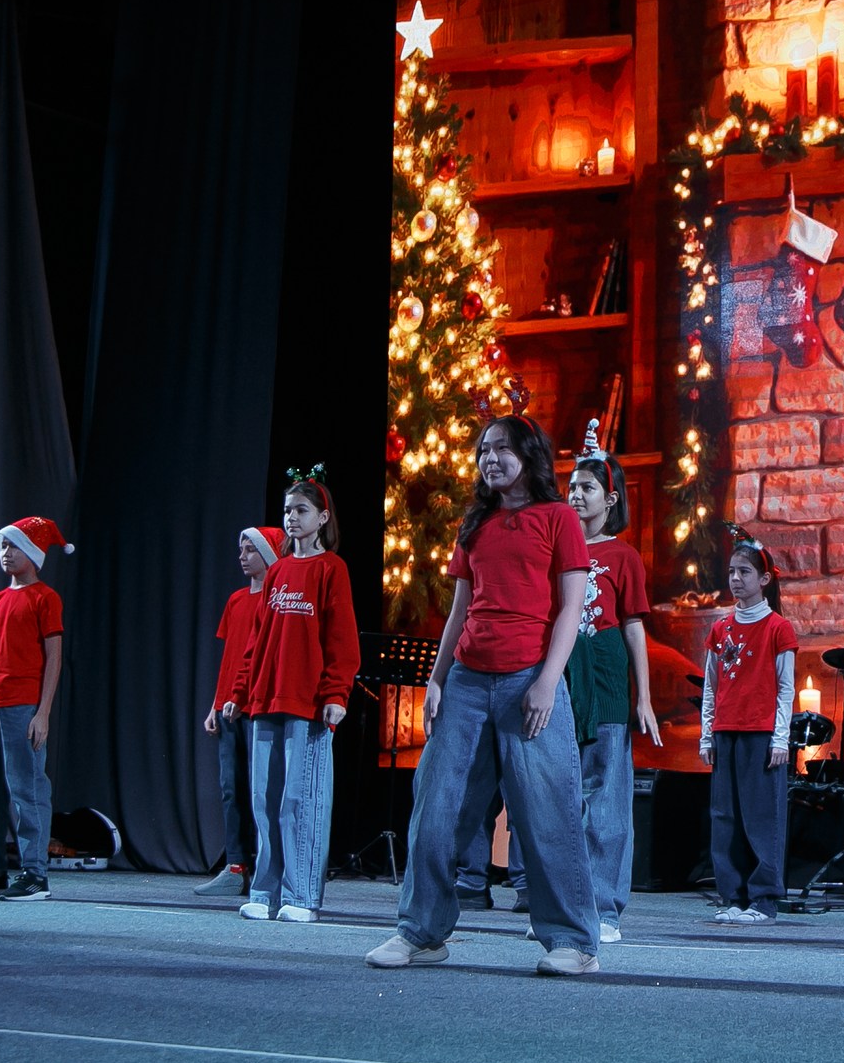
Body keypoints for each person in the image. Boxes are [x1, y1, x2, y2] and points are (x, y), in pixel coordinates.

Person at [369, 416, 601, 975]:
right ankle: (421, 932)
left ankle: (573, 942)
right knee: (436, 808)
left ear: (529, 455)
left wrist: (547, 681)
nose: (489, 459)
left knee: (547, 813)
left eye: (501, 449)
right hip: (468, 683)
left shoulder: (558, 518)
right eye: (483, 451)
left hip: (529, 679)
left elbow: (570, 608)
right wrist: (437, 679)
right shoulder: (475, 523)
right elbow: (459, 612)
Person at [537, 425, 658, 945]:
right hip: (563, 674)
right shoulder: (553, 549)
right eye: (571, 487)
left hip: (605, 677)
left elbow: (633, 627)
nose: (576, 495)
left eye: (587, 487)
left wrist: (644, 697)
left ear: (610, 499)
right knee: (557, 796)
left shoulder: (623, 556)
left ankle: (604, 908)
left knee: (606, 798)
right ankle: (562, 908)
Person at [239, 474, 359, 923]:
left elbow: (341, 638)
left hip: (307, 702)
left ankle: (301, 895)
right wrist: (241, 690)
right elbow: (257, 639)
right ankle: (265, 891)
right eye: (288, 510)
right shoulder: (277, 571)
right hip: (265, 700)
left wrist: (336, 692)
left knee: (300, 801)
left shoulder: (331, 569)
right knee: (264, 799)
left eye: (301, 510)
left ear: (322, 518)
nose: (292, 517)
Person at [0, 516, 72, 902]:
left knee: (27, 788)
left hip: (22, 705)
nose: (6, 553)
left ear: (33, 553)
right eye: (3, 546)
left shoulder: (45, 598)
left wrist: (43, 712)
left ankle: (34, 873)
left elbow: (54, 656)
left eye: (15, 546)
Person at [701, 538, 796, 925]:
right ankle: (734, 896)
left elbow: (786, 688)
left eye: (744, 572)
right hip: (726, 731)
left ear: (764, 579)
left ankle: (763, 899)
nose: (735, 579)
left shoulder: (778, 628)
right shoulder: (720, 628)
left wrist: (780, 737)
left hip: (761, 733)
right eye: (731, 572)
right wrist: (707, 734)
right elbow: (711, 686)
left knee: (761, 817)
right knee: (725, 817)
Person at [196, 527, 273, 896]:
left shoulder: (274, 602)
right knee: (231, 788)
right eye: (241, 550)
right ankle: (236, 866)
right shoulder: (236, 600)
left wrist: (243, 698)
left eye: (250, 550)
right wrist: (216, 702)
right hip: (228, 708)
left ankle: (266, 866)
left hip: (256, 707)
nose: (242, 557)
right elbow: (230, 658)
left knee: (260, 790)